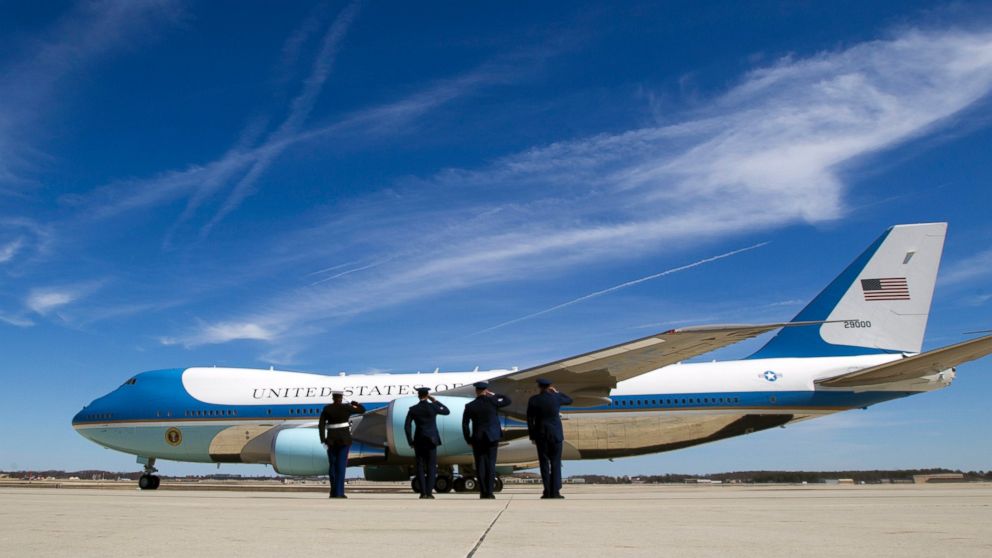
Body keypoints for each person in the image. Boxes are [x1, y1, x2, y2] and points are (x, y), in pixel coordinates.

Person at [462, 381, 512, 499]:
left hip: (478, 438)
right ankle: (490, 492)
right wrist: (494, 394)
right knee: (491, 464)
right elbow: (508, 400)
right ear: (486, 390)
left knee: (480, 465)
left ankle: (483, 492)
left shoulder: (470, 406)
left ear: (476, 391)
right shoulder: (493, 401)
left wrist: (468, 439)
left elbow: (465, 424)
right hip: (492, 437)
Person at [526, 378, 573, 499]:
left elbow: (530, 420)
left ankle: (547, 491)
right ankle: (556, 491)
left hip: (541, 435)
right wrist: (557, 392)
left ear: (539, 387)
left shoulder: (534, 400)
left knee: (544, 463)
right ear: (549, 386)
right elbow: (569, 400)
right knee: (556, 463)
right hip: (556, 434)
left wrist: (532, 436)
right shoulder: (556, 398)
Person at [404, 387, 450, 499]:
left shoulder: (413, 409)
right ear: (427, 395)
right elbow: (446, 411)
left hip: (419, 440)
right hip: (432, 439)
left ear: (418, 396)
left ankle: (423, 492)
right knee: (431, 466)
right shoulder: (433, 407)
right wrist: (434, 400)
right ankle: (429, 493)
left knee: (419, 466)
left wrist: (410, 441)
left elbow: (407, 426)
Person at [318, 391, 366, 498]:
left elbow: (321, 425)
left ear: (333, 398)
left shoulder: (327, 409)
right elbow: (363, 410)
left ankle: (333, 492)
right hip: (344, 440)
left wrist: (323, 440)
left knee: (333, 466)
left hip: (331, 440)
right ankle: (339, 493)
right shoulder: (347, 407)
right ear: (341, 398)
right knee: (341, 466)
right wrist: (356, 403)